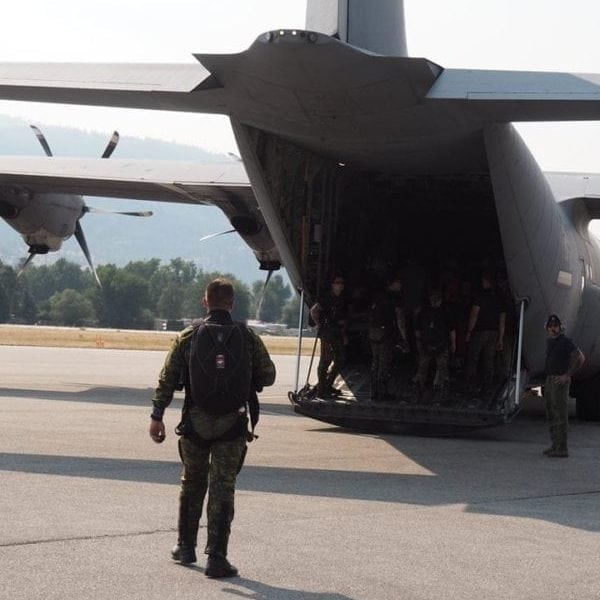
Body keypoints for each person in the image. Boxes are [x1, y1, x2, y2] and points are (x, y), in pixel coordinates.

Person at [149, 278, 276, 578]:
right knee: (222, 487)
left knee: (191, 483)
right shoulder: (247, 337)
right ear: (232, 303)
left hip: (195, 422)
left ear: (205, 301)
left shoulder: (188, 336)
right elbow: (268, 375)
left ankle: (185, 547)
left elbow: (167, 378)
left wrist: (157, 415)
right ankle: (217, 558)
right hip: (232, 425)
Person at [543, 314, 585, 458]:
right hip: (550, 380)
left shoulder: (566, 341)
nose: (553, 329)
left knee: (560, 414)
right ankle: (555, 444)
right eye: (550, 327)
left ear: (560, 327)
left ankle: (562, 448)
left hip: (559, 381)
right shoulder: (550, 342)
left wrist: (567, 375)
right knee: (551, 412)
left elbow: (580, 358)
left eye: (555, 326)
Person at [368, 274, 409, 401]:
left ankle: (374, 391)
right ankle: (382, 392)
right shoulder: (395, 298)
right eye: (399, 282)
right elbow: (400, 319)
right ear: (393, 284)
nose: (401, 285)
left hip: (373, 331)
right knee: (384, 363)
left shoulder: (379, 296)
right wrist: (403, 339)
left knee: (375, 361)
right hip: (385, 333)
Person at [464, 271, 506, 391]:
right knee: (489, 359)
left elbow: (474, 315)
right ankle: (488, 384)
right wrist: (501, 339)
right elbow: (502, 321)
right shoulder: (499, 299)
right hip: (494, 332)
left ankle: (470, 382)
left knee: (474, 357)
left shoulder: (481, 296)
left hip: (480, 331)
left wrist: (469, 331)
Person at [310, 275, 349, 398]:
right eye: (337, 282)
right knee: (325, 361)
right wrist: (319, 324)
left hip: (337, 332)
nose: (340, 285)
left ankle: (327, 384)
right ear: (332, 285)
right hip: (327, 332)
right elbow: (314, 311)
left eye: (341, 283)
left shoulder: (342, 299)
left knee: (340, 359)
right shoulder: (326, 298)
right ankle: (321, 390)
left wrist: (344, 334)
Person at [413, 290, 456, 398]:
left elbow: (417, 331)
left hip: (425, 344)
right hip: (441, 345)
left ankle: (419, 390)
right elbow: (451, 330)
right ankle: (441, 391)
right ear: (440, 301)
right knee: (442, 368)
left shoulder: (422, 312)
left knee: (422, 368)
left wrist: (419, 343)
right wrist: (453, 343)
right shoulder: (446, 312)